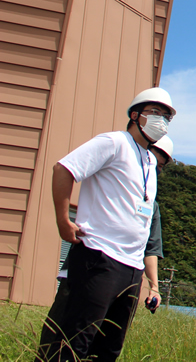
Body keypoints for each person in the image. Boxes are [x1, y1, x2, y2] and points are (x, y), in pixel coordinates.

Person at [43, 87, 176, 362]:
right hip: (99, 257)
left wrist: (148, 280)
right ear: (135, 115)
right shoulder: (113, 142)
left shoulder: (150, 161)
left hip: (131, 268)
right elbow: (63, 169)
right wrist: (62, 220)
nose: (160, 120)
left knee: (108, 349)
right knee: (73, 342)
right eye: (155, 113)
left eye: (166, 116)